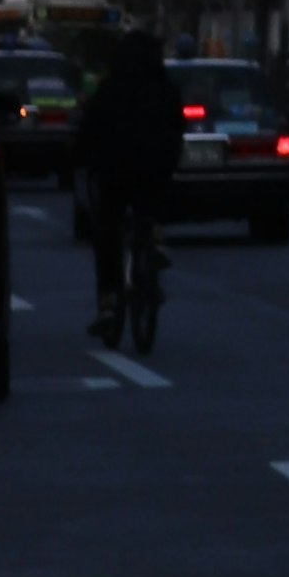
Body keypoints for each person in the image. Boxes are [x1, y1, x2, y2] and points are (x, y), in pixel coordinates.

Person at [73, 25, 183, 344]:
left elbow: (89, 131)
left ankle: (108, 302)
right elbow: (178, 128)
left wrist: (77, 158)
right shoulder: (166, 89)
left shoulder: (110, 89)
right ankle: (155, 243)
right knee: (153, 204)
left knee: (107, 231)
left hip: (116, 172)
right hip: (155, 171)